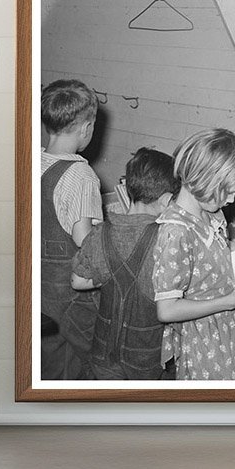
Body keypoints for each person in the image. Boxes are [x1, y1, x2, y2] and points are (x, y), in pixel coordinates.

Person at [152, 128, 235, 381]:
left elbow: (212, 255)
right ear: (205, 179)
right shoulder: (175, 232)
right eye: (228, 191)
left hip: (231, 328)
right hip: (205, 343)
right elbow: (167, 310)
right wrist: (231, 301)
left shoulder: (213, 213)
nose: (233, 199)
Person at [70, 148, 178, 380]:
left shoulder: (100, 233)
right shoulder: (166, 239)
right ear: (167, 200)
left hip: (102, 355)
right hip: (147, 358)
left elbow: (78, 281)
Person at [39, 78, 102, 380]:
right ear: (85, 127)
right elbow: (86, 244)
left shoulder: (28, 160)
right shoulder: (80, 175)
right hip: (64, 303)